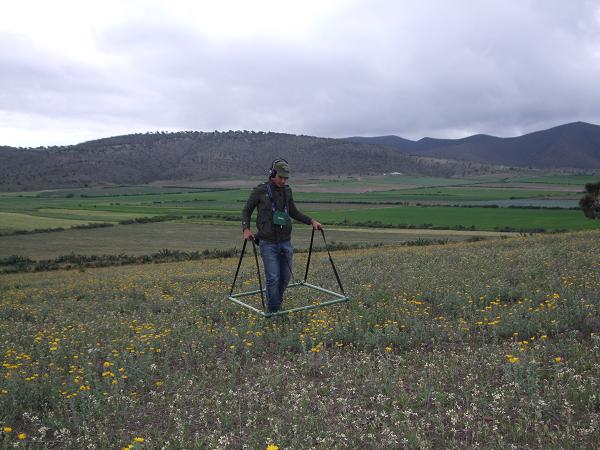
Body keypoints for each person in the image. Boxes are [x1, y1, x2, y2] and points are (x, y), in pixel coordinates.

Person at [242, 158, 322, 313]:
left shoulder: (287, 191)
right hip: (267, 242)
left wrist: (311, 221)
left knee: (285, 278)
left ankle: (276, 304)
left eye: (286, 178)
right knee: (273, 278)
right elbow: (246, 211)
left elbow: (293, 212)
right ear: (272, 174)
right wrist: (246, 229)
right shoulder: (260, 191)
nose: (283, 181)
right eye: (280, 177)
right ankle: (273, 312)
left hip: (285, 242)